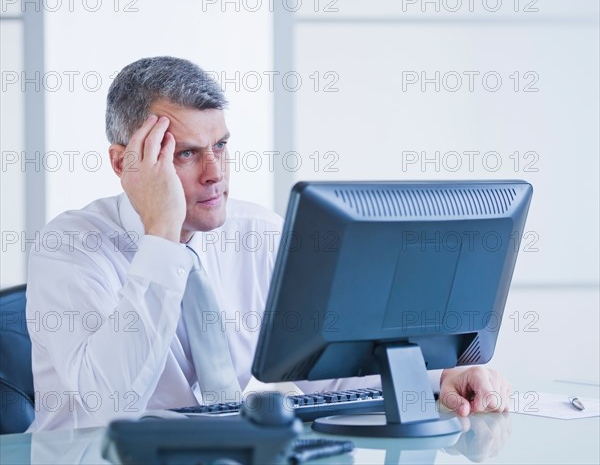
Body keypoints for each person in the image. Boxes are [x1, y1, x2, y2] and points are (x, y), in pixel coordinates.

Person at [26, 56, 510, 431]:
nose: (215, 174)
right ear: (122, 162)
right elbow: (107, 404)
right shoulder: (70, 248)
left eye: (220, 146)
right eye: (187, 154)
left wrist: (437, 378)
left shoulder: (256, 233)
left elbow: (327, 363)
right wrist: (162, 237)